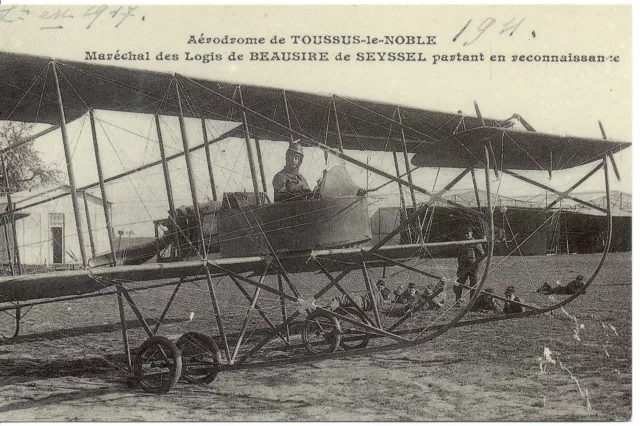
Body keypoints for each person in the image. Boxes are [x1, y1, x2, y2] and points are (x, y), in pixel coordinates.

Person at [453, 225, 485, 304]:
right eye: (465, 233)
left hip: (472, 266)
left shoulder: (476, 242)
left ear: (471, 233)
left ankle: (472, 303)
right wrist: (460, 266)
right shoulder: (463, 243)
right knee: (459, 283)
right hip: (463, 266)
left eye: (468, 233)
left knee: (473, 284)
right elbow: (459, 255)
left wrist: (477, 265)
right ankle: (457, 301)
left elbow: (482, 255)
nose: (466, 235)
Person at [327, 279, 391, 312]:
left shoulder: (376, 292)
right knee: (343, 305)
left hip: (359, 300)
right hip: (361, 307)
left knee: (339, 299)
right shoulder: (380, 304)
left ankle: (328, 309)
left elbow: (370, 280)